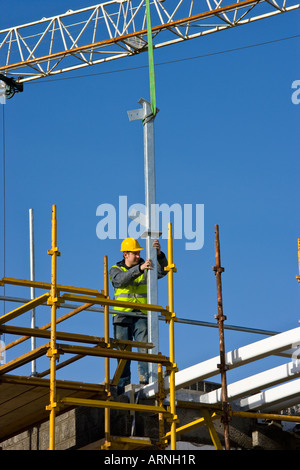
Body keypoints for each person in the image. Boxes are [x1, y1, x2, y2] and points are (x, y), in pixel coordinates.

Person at [109, 237, 168, 394]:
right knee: (123, 354)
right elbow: (120, 281)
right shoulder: (115, 269)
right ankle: (122, 388)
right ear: (125, 254)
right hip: (122, 315)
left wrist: (159, 255)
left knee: (145, 350)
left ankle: (146, 383)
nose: (137, 255)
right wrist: (140, 269)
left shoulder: (147, 265)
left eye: (138, 253)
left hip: (141, 314)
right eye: (134, 253)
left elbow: (162, 272)